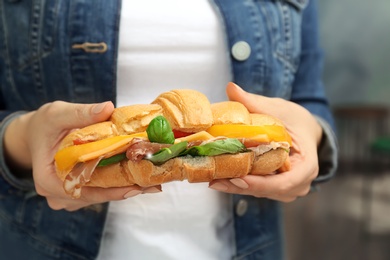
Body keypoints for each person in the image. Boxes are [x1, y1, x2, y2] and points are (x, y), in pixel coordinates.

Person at [0, 0, 338, 259]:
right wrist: (21, 137)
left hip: (249, 246)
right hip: (43, 243)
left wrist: (311, 133)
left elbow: (310, 100)